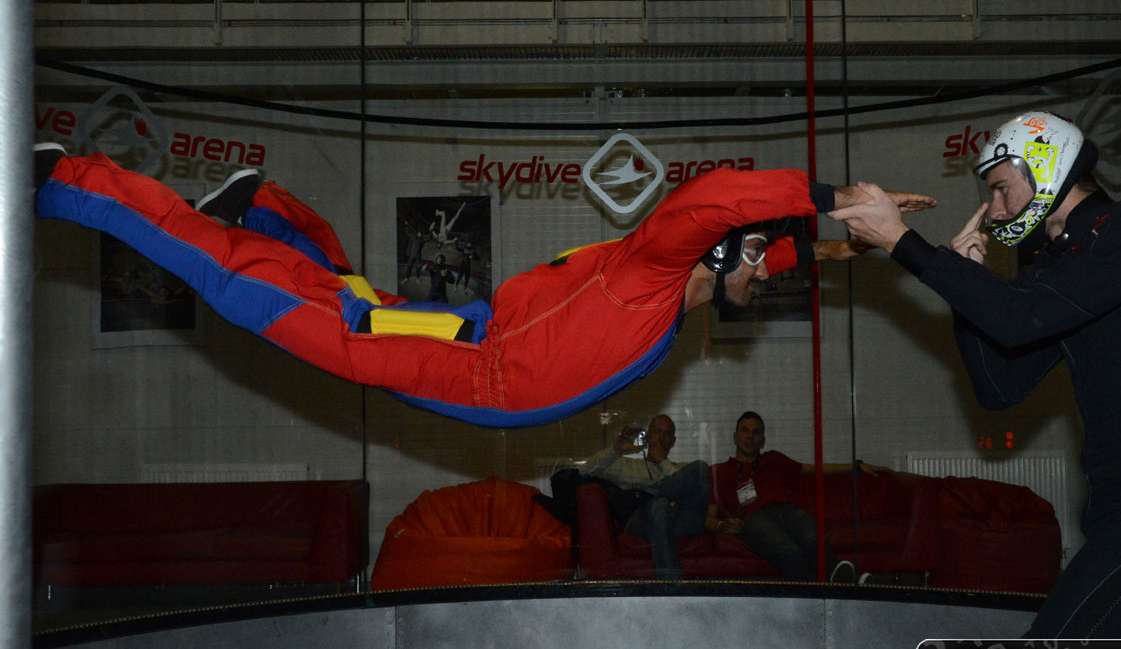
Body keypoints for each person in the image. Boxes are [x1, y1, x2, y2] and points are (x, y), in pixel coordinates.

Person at [34, 144, 934, 428]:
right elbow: (707, 205)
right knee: (267, 302)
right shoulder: (657, 267)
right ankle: (70, 183)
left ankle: (265, 208)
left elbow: (756, 261)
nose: (758, 279)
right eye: (751, 262)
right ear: (721, 255)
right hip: (476, 361)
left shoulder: (683, 289)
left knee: (359, 297)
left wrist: (845, 247)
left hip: (475, 333)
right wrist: (829, 198)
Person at [830, 110, 1121, 642]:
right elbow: (1000, 387)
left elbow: (1021, 317)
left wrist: (900, 240)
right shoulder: (1060, 267)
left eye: (1000, 189)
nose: (994, 210)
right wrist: (966, 287)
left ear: (1046, 170)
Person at [707, 411, 884, 582]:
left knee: (811, 539)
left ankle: (846, 580)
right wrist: (722, 525)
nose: (750, 437)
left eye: (756, 432)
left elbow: (816, 469)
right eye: (744, 430)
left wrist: (855, 466)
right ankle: (829, 591)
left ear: (763, 441)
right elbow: (708, 517)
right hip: (755, 518)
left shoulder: (775, 459)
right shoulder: (718, 471)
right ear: (735, 437)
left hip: (788, 511)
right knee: (789, 550)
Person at [582, 414, 709, 579]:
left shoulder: (679, 469)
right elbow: (586, 471)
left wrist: (663, 462)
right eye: (657, 431)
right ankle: (670, 585)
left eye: (667, 434)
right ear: (648, 437)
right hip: (642, 522)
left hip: (677, 521)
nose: (661, 438)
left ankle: (660, 491)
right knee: (660, 504)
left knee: (700, 468)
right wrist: (616, 450)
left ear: (673, 441)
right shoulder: (629, 466)